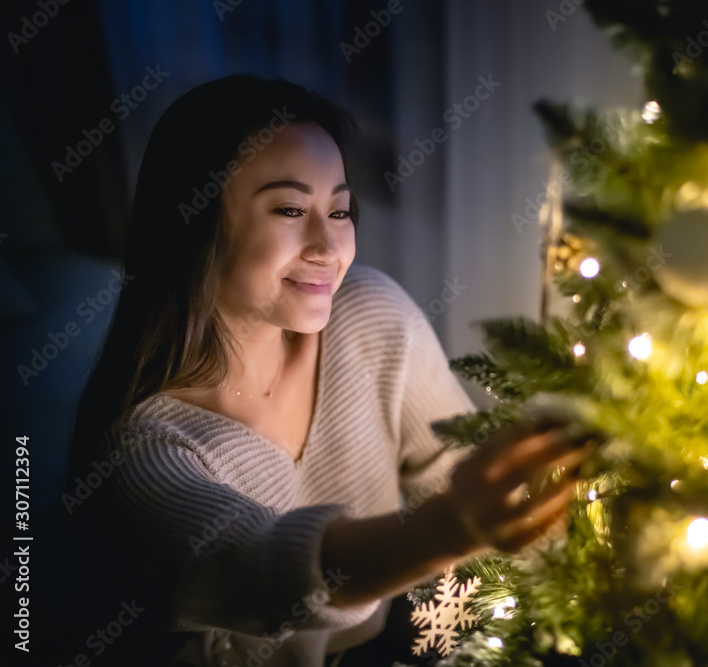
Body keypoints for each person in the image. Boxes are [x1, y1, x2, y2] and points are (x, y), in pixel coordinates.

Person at [65, 75, 591, 667]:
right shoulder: (142, 454)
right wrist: (450, 527)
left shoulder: (370, 315)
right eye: (289, 208)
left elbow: (456, 473)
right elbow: (269, 572)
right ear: (194, 222)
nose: (327, 244)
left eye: (339, 210)